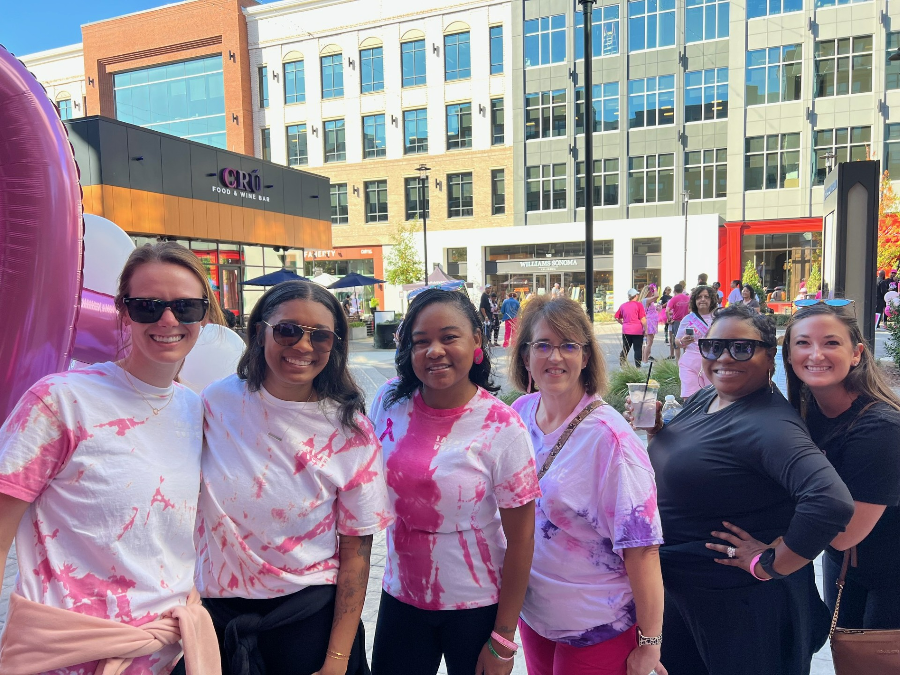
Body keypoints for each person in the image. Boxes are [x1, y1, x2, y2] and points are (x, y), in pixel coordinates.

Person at [0, 242, 225, 674]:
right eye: (148, 306)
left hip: (172, 653)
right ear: (123, 310)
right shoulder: (61, 401)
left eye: (186, 307)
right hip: (71, 656)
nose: (168, 320)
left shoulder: (195, 411)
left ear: (205, 313)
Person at [626, 304, 855, 675]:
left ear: (769, 357)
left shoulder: (770, 424)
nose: (724, 358)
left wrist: (771, 563)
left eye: (741, 348)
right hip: (689, 598)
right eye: (713, 347)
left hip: (738, 610)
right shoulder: (711, 397)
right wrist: (658, 433)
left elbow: (830, 501)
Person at [196, 281, 392, 675]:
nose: (303, 346)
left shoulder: (351, 433)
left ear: (334, 345)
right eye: (287, 330)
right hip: (216, 619)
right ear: (258, 332)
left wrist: (337, 660)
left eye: (320, 336)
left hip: (308, 623)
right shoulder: (216, 403)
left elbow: (356, 555)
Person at [368, 288, 540, 675]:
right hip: (401, 597)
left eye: (449, 337)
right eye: (421, 341)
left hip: (476, 608)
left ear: (477, 340)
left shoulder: (503, 426)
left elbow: (522, 540)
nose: (434, 351)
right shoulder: (388, 402)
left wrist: (502, 642)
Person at [508, 295, 665, 675]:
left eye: (568, 345)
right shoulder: (519, 414)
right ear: (525, 356)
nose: (555, 357)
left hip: (598, 625)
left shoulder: (611, 440)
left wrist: (650, 645)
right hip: (536, 616)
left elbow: (642, 552)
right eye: (543, 345)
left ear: (586, 356)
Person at [778, 302, 900, 630]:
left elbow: (843, 534)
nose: (816, 354)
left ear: (856, 353)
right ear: (788, 354)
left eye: (831, 343)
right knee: (846, 655)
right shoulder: (804, 415)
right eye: (803, 343)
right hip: (846, 566)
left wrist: (767, 555)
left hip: (890, 573)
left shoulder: (881, 427)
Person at [675, 285, 717, 400]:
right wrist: (683, 342)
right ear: (694, 300)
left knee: (712, 398)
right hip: (690, 362)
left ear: (711, 300)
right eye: (699, 297)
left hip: (713, 361)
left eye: (706, 297)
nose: (703, 299)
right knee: (690, 398)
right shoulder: (688, 319)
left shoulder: (718, 318)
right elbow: (677, 342)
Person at [615, 288, 646, 368]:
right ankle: (638, 367)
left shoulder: (623, 305)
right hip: (637, 330)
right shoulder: (638, 305)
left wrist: (623, 323)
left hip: (626, 330)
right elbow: (642, 318)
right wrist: (646, 329)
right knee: (637, 349)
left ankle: (622, 366)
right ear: (635, 296)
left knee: (625, 349)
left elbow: (617, 317)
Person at [666, 284, 689, 361]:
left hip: (677, 322)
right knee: (686, 340)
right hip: (686, 321)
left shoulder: (673, 299)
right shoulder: (687, 298)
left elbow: (667, 310)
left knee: (677, 341)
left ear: (674, 290)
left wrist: (669, 319)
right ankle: (686, 360)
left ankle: (678, 362)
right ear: (682, 290)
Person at [640, 284, 660, 364]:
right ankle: (645, 360)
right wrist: (655, 288)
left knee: (646, 342)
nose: (652, 293)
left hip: (650, 322)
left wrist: (657, 309)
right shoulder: (646, 300)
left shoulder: (647, 301)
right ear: (647, 292)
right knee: (649, 343)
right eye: (651, 291)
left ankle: (644, 358)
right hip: (649, 323)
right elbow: (657, 296)